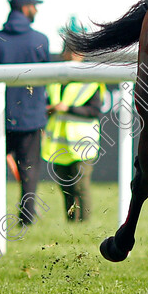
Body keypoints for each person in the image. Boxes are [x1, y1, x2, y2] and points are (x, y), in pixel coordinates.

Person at [0, 0, 50, 227]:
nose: (37, 9)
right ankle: (26, 218)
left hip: (3, 115)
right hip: (31, 117)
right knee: (29, 170)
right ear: (25, 7)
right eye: (34, 5)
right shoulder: (40, 40)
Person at [42, 20, 106, 222]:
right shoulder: (54, 78)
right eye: (71, 51)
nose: (74, 55)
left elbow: (94, 111)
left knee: (81, 185)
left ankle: (84, 223)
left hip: (82, 143)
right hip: (59, 145)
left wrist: (67, 108)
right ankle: (71, 222)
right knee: (66, 187)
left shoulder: (91, 79)